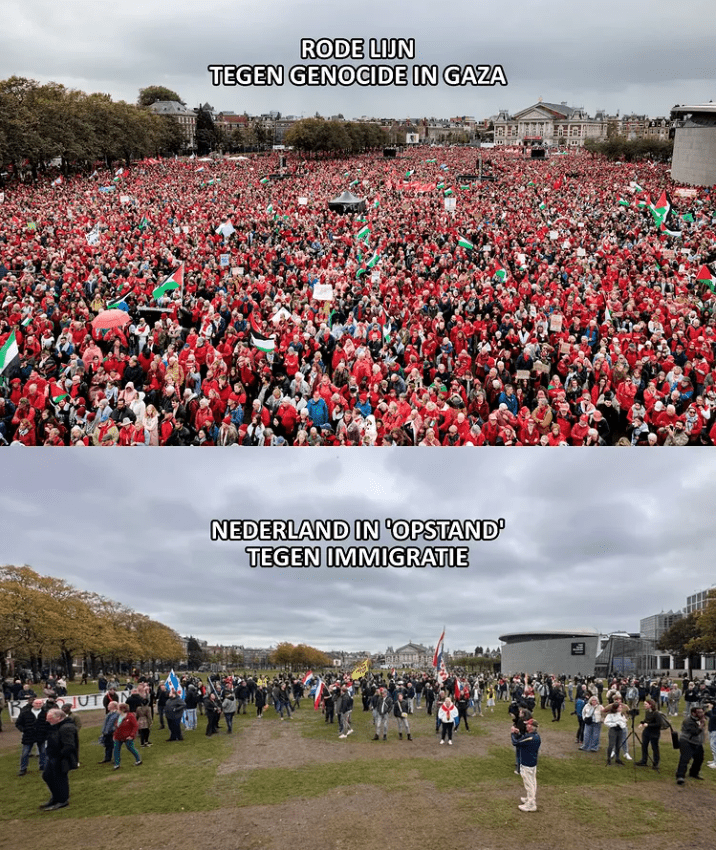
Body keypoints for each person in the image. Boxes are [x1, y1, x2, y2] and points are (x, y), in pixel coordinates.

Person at [40, 707, 79, 811]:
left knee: (60, 778)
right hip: (53, 757)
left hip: (61, 758)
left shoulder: (66, 727)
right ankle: (56, 798)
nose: (47, 721)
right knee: (47, 776)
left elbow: (69, 746)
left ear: (58, 717)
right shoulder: (56, 726)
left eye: (50, 718)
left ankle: (62, 800)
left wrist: (59, 756)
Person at [512, 718, 541, 812]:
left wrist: (512, 734)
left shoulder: (530, 737)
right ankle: (529, 798)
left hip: (527, 763)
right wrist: (518, 733)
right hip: (532, 763)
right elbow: (523, 739)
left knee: (529, 784)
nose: (526, 725)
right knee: (532, 782)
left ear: (531, 727)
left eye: (528, 724)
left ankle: (531, 804)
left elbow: (516, 742)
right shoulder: (535, 736)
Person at [15, 697, 49, 776]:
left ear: (42, 704)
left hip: (41, 735)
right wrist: (24, 730)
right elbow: (18, 723)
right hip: (28, 736)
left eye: (40, 703)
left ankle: (43, 766)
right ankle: (23, 769)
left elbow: (50, 723)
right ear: (32, 704)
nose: (38, 705)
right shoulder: (25, 713)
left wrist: (46, 731)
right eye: (36, 703)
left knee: (43, 752)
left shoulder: (46, 713)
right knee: (25, 753)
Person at [676, 705, 706, 785]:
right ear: (693, 713)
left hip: (697, 742)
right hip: (687, 741)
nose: (702, 714)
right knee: (685, 759)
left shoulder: (700, 719)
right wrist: (702, 724)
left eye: (702, 712)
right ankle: (680, 776)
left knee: (699, 758)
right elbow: (695, 732)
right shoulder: (688, 721)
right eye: (699, 712)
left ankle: (693, 773)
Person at [112, 703, 142, 769]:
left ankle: (138, 760)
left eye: (118, 708)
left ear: (122, 709)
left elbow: (135, 726)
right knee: (116, 750)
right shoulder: (118, 716)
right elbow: (117, 726)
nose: (117, 710)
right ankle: (117, 764)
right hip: (118, 736)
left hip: (128, 736)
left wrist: (132, 735)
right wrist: (115, 735)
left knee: (130, 748)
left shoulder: (130, 716)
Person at [635, 697, 662, 769]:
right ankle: (643, 761)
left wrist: (648, 725)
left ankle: (656, 763)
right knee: (644, 746)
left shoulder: (656, 713)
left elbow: (659, 724)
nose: (644, 706)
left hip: (654, 733)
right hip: (646, 732)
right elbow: (646, 720)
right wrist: (642, 723)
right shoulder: (647, 712)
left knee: (655, 748)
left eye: (646, 704)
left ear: (650, 705)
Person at [603, 701, 627, 765]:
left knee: (618, 745)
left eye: (621, 707)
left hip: (620, 730)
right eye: (619, 707)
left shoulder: (622, 714)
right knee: (611, 744)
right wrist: (614, 724)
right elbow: (606, 722)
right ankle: (608, 758)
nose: (621, 708)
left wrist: (622, 725)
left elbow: (624, 722)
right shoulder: (610, 715)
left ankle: (617, 758)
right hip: (613, 730)